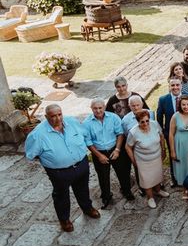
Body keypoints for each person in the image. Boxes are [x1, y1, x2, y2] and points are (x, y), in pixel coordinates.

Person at [25, 104, 101, 232]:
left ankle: (87, 208)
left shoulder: (72, 122)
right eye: (53, 116)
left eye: (59, 114)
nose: (58, 118)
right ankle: (64, 220)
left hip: (81, 165)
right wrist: (53, 159)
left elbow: (85, 134)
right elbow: (31, 154)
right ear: (46, 117)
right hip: (59, 172)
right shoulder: (37, 134)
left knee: (83, 189)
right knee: (61, 196)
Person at [83, 98, 133, 208]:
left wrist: (117, 150)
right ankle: (106, 196)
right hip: (99, 152)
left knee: (122, 172)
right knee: (103, 176)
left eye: (100, 108)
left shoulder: (113, 117)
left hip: (115, 149)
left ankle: (126, 191)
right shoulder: (86, 123)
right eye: (95, 108)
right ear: (91, 109)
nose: (98, 110)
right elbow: (88, 142)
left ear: (104, 107)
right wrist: (99, 155)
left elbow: (120, 134)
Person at [125, 110, 170, 209]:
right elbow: (128, 147)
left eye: (147, 121)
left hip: (156, 157)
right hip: (143, 160)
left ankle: (158, 190)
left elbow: (161, 136)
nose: (145, 123)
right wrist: (133, 160)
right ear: (138, 122)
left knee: (157, 175)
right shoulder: (133, 132)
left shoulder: (154, 124)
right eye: (142, 122)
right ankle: (150, 197)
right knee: (147, 180)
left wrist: (163, 149)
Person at [157, 77, 185, 186]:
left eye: (177, 85)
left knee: (187, 154)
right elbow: (159, 117)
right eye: (172, 85)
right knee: (173, 155)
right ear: (169, 87)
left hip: (187, 133)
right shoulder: (163, 99)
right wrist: (163, 132)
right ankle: (175, 178)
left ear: (181, 85)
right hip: (171, 134)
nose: (175, 87)